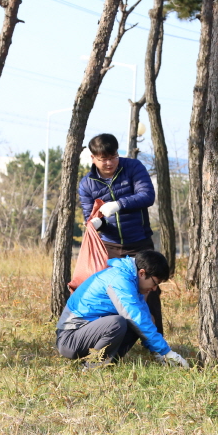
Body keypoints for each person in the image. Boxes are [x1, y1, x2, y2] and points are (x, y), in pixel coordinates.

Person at [78, 133, 164, 334]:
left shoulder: (133, 167)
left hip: (139, 243)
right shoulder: (87, 183)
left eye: (113, 157)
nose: (109, 163)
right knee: (113, 293)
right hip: (109, 247)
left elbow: (147, 195)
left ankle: (156, 342)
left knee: (150, 291)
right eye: (103, 159)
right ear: (93, 158)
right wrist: (97, 224)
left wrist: (119, 204)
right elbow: (87, 217)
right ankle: (114, 339)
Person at [56, 250, 188, 369]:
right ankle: (92, 368)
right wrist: (167, 352)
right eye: (155, 283)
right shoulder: (119, 279)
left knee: (144, 321)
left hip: (88, 333)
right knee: (118, 323)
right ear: (142, 273)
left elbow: (144, 319)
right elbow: (135, 318)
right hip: (70, 339)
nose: (154, 289)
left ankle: (108, 363)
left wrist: (158, 352)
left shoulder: (132, 280)